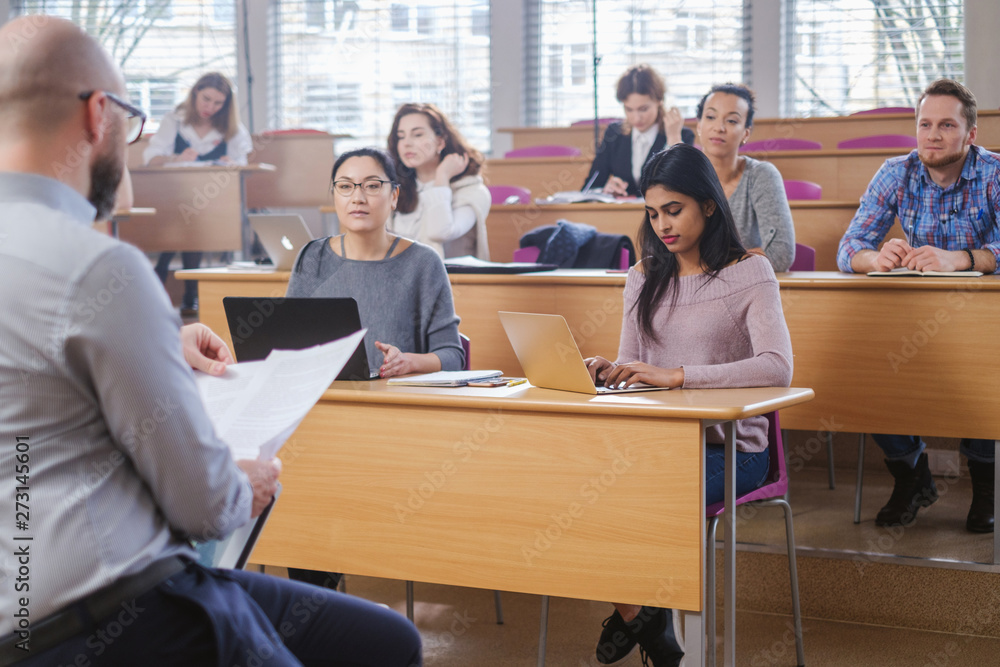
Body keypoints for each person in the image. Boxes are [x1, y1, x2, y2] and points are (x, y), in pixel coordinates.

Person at [0, 16, 421, 666]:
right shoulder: (97, 266)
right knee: (387, 645)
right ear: (96, 116)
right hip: (119, 611)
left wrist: (161, 335)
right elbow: (203, 505)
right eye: (131, 121)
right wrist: (242, 481)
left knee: (380, 637)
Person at [584, 143, 793, 666]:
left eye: (673, 210)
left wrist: (680, 376)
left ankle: (647, 627)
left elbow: (776, 367)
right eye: (652, 213)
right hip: (656, 443)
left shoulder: (751, 272)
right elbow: (635, 366)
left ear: (708, 204)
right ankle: (650, 628)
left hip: (732, 451)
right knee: (576, 486)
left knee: (622, 496)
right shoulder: (641, 277)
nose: (661, 226)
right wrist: (612, 373)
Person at [284, 146, 464, 588]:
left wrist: (410, 362)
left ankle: (322, 609)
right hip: (322, 421)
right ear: (334, 196)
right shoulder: (312, 258)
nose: (357, 197)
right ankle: (317, 613)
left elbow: (454, 356)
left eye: (371, 186)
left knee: (329, 491)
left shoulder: (423, 264)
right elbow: (285, 342)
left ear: (395, 196)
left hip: (396, 429)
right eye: (345, 187)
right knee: (298, 489)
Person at [837, 78, 1000, 533]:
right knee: (860, 367)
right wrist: (875, 258)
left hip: (987, 323)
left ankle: (986, 484)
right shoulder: (896, 172)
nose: (932, 134)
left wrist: (963, 259)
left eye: (946, 125)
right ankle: (912, 474)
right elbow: (851, 244)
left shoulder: (995, 173)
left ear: (970, 134)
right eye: (925, 124)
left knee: (990, 367)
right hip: (913, 322)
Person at [144, 72, 254, 315]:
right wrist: (175, 157)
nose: (210, 107)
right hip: (174, 196)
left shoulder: (231, 127)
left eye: (218, 103)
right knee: (187, 221)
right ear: (194, 93)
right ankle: (187, 295)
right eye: (206, 99)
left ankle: (175, 285)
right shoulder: (174, 120)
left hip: (212, 202)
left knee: (195, 220)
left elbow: (242, 162)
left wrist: (231, 162)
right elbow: (150, 159)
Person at [695, 83, 796, 271]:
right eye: (711, 117)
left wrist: (711, 265)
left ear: (746, 133)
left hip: (745, 289)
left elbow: (781, 254)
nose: (719, 127)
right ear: (699, 125)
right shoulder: (682, 175)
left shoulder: (761, 175)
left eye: (732, 121)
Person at [387, 102, 491, 260]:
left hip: (452, 282)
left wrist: (442, 177)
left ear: (440, 141)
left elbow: (440, 232)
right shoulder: (396, 189)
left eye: (417, 134)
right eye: (401, 136)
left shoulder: (473, 191)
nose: (406, 143)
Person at [584, 64, 695, 198]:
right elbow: (589, 187)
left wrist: (673, 140)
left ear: (659, 100)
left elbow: (684, 189)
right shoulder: (614, 134)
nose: (636, 118)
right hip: (622, 215)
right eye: (629, 109)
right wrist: (605, 191)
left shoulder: (682, 135)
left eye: (643, 109)